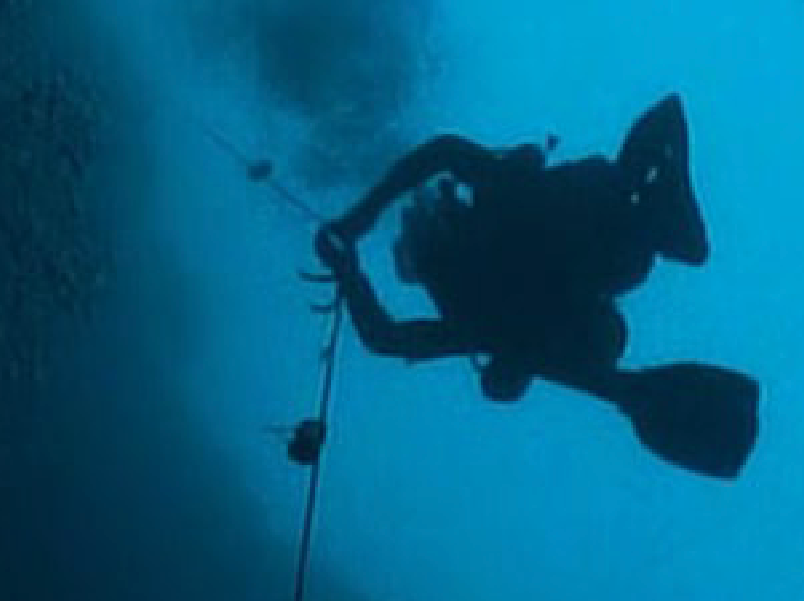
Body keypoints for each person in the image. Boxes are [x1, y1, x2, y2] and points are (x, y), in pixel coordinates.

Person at [307, 93, 761, 479]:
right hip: (591, 242)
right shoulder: (495, 305)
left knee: (640, 260)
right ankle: (658, 209)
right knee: (641, 258)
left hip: (588, 234)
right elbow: (386, 337)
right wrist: (351, 249)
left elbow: (387, 337)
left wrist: (355, 238)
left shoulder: (497, 277)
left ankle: (658, 210)